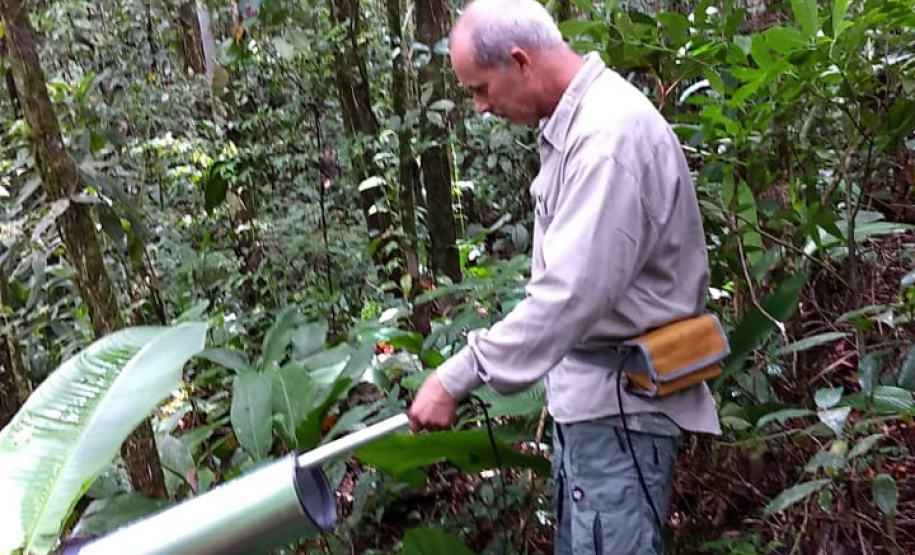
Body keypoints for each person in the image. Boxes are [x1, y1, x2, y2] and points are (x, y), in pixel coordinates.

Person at [407, 0, 721, 553]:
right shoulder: (578, 126)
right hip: (595, 410)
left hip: (621, 413)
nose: (480, 106)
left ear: (519, 61)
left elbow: (569, 295)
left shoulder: (607, 138)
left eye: (480, 88)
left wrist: (458, 375)